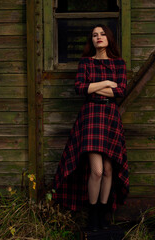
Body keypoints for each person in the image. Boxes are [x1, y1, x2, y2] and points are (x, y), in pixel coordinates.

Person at [52, 24, 129, 232]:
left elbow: (121, 90)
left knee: (109, 170)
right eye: (95, 35)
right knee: (97, 170)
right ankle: (92, 215)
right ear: (92, 41)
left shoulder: (119, 64)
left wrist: (93, 88)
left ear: (109, 38)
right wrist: (105, 82)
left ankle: (103, 214)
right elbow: (80, 88)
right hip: (92, 116)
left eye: (103, 34)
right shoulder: (86, 63)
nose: (99, 37)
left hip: (110, 117)